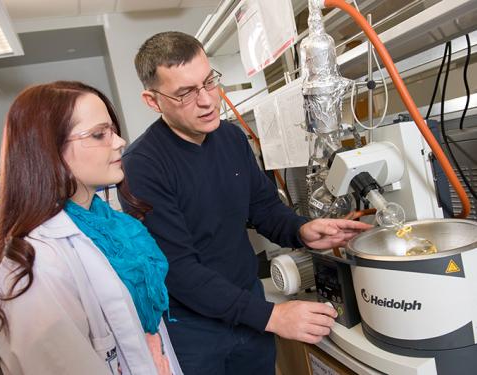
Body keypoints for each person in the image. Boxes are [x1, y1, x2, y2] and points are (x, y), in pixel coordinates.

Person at [122, 31, 372, 375]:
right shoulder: (141, 166)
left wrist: (302, 230)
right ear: (153, 100)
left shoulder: (230, 137)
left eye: (209, 82)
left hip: (247, 311)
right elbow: (178, 270)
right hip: (194, 329)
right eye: (185, 93)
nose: (208, 100)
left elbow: (264, 209)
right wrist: (272, 315)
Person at [0, 81, 182, 375]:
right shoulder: (37, 265)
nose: (119, 142)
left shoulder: (113, 229)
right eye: (100, 134)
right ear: (49, 150)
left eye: (113, 130)